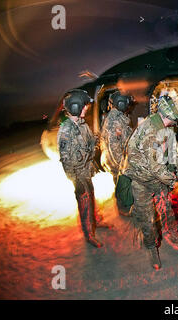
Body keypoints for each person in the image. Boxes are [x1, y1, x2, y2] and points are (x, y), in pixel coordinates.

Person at [119, 90, 178, 269]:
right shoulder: (152, 131)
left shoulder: (164, 126)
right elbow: (156, 167)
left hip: (158, 180)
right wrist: (174, 182)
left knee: (167, 209)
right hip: (141, 181)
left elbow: (171, 153)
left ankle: (174, 234)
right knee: (148, 219)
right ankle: (152, 249)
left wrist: (175, 170)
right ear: (171, 115)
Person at [57, 89, 108, 248]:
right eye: (84, 106)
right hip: (78, 175)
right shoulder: (66, 130)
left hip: (86, 170)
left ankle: (95, 223)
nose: (87, 108)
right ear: (76, 107)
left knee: (91, 196)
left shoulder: (82, 124)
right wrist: (75, 181)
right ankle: (89, 235)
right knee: (84, 203)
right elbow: (66, 160)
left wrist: (98, 139)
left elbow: (90, 142)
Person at [100, 91, 134, 215]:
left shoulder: (118, 117)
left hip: (115, 159)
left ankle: (124, 207)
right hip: (115, 160)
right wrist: (122, 167)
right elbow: (113, 146)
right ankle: (124, 210)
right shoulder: (115, 121)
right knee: (122, 184)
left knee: (121, 184)